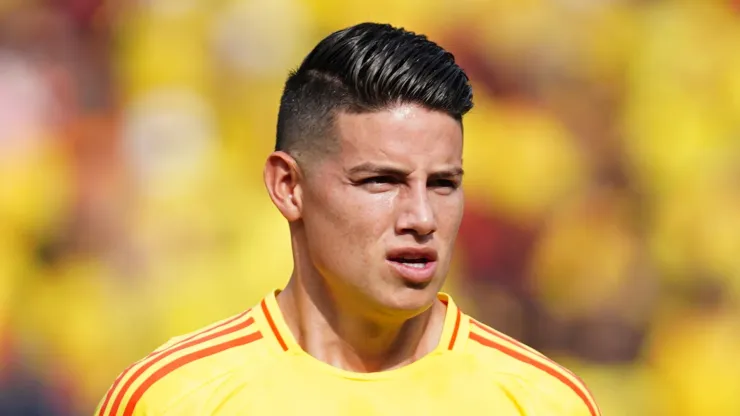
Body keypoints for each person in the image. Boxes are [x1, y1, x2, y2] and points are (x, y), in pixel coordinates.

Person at [95, 22, 601, 416]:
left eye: (443, 184)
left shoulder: (542, 401)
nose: (423, 217)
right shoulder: (174, 397)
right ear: (288, 187)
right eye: (381, 181)